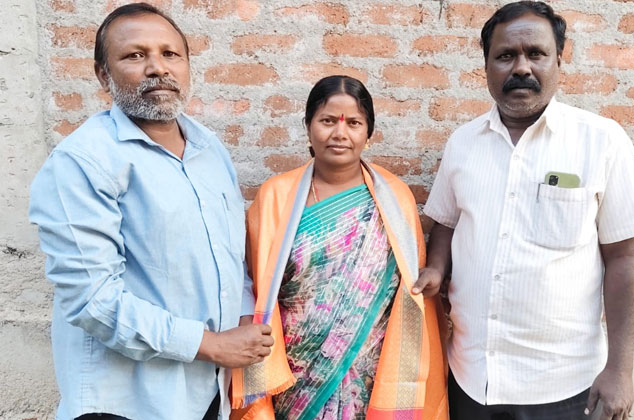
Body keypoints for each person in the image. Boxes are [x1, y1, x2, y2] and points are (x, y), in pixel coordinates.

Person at [418, 2, 634, 420]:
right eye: (505, 56)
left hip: (564, 386)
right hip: (471, 376)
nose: (521, 67)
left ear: (558, 60)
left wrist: (620, 370)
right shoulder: (463, 143)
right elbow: (445, 222)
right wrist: (438, 269)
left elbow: (623, 259)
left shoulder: (601, 141)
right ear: (486, 65)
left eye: (536, 53)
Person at [29, 3, 273, 419]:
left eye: (170, 54)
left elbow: (231, 258)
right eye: (135, 55)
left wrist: (246, 324)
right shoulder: (83, 161)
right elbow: (93, 301)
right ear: (103, 75)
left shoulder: (209, 149)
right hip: (124, 403)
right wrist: (212, 345)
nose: (158, 68)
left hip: (206, 394)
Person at [228, 75, 448, 420]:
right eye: (328, 121)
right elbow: (258, 291)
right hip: (295, 373)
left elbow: (408, 293)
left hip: (370, 369)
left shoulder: (395, 198)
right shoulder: (275, 196)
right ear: (308, 127)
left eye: (353, 123)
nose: (340, 133)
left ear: (369, 132)